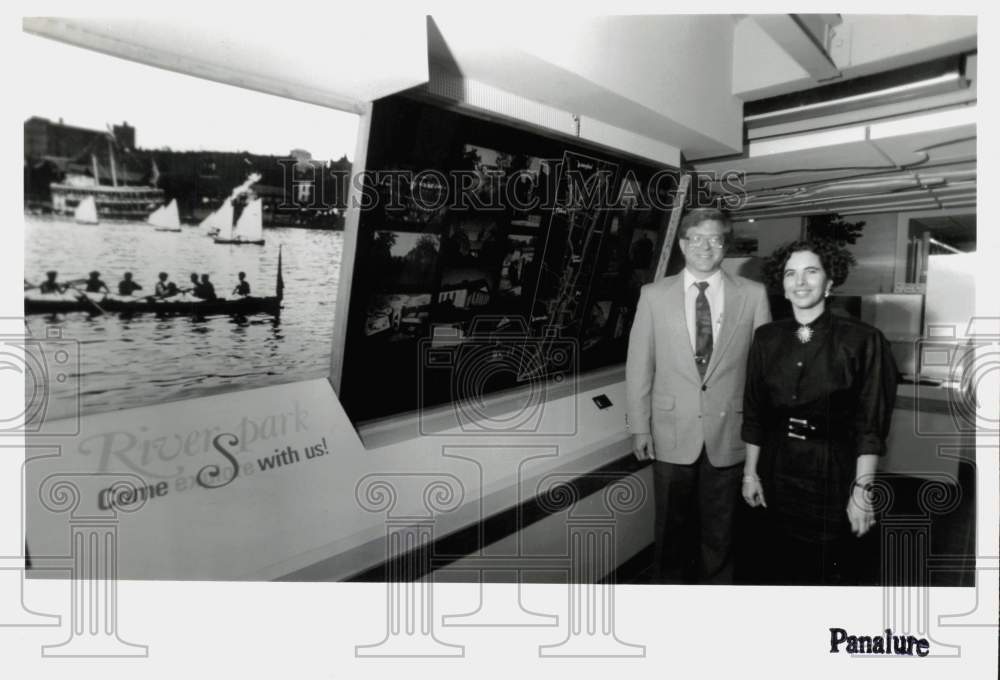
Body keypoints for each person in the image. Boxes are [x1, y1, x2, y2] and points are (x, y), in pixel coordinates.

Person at [626, 207, 770, 584]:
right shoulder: (653, 296)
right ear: (682, 243)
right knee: (670, 536)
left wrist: (759, 433)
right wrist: (640, 427)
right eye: (697, 238)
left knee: (721, 536)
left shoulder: (753, 296)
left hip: (730, 433)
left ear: (726, 245)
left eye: (715, 239)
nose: (705, 246)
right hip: (670, 432)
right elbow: (640, 365)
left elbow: (761, 375)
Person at [740, 239, 897, 585]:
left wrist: (861, 491)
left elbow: (871, 426)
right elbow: (754, 412)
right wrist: (751, 473)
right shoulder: (766, 338)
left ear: (829, 282)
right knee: (774, 567)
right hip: (776, 468)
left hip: (833, 471)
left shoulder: (864, 340)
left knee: (828, 571)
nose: (800, 282)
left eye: (811, 271)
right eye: (790, 273)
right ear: (781, 284)